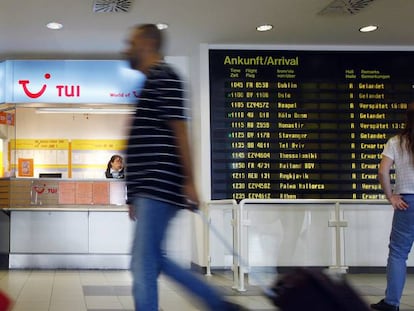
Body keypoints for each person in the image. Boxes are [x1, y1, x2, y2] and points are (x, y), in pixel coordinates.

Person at [124, 24, 246, 311]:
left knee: (143, 263)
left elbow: (180, 131)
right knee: (153, 259)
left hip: (159, 184)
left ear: (146, 44)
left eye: (130, 43)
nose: (125, 49)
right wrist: (132, 194)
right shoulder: (151, 82)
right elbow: (140, 141)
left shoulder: (165, 77)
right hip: (149, 188)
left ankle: (217, 304)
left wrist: (190, 181)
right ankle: (218, 304)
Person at [371, 106, 414, 311]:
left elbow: (382, 171)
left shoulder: (396, 142)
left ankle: (392, 303)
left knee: (398, 253)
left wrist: (391, 196)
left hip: (407, 202)